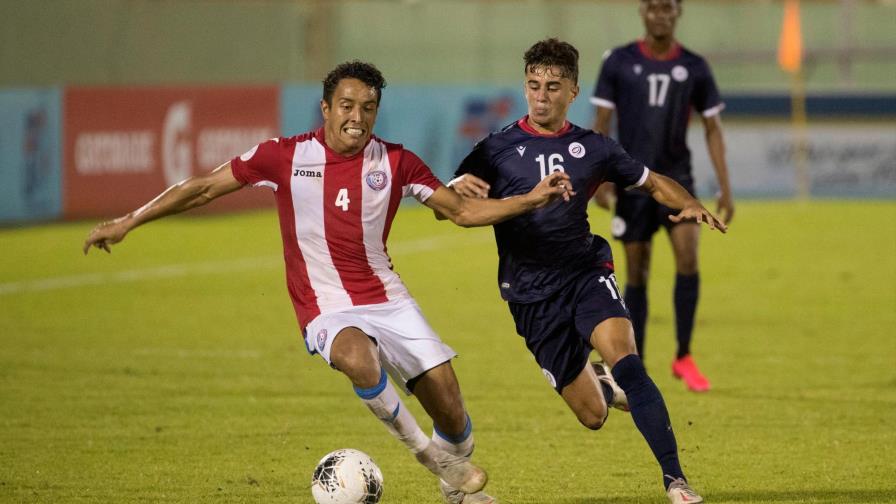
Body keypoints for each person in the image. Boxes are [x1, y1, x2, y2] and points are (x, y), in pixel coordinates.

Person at [83, 61, 573, 504]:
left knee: (454, 413)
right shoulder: (283, 156)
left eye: (367, 107)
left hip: (388, 299)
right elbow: (205, 187)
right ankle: (428, 456)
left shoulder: (396, 162)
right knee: (356, 357)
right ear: (325, 108)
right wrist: (130, 220)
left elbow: (462, 210)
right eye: (346, 105)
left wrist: (530, 200)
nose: (356, 116)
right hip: (324, 305)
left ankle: (452, 479)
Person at [446, 38, 725, 504]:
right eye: (534, 85)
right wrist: (457, 187)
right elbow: (451, 206)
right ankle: (598, 382)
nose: (541, 96)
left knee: (630, 363)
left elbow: (653, 183)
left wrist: (691, 202)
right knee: (593, 416)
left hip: (584, 273)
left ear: (573, 91)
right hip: (531, 295)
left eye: (553, 87)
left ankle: (676, 481)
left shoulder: (593, 147)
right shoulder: (494, 149)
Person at [590, 0, 734, 392]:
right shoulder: (618, 62)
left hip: (678, 181)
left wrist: (725, 184)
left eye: (668, 7)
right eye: (654, 7)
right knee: (637, 272)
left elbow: (712, 128)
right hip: (632, 182)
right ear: (643, 11)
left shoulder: (695, 66)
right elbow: (601, 124)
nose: (661, 14)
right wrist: (600, 179)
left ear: (678, 12)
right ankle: (639, 365)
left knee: (688, 256)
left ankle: (684, 356)